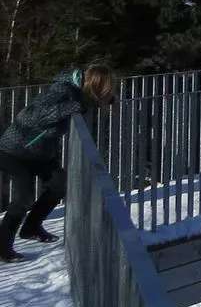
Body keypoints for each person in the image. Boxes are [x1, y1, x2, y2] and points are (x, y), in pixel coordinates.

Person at [0, 63, 118, 263]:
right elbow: (37, 115)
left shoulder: (76, 92)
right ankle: (3, 247)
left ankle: (31, 228)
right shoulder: (62, 90)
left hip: (39, 152)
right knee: (23, 198)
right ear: (95, 85)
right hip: (15, 150)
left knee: (59, 184)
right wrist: (76, 106)